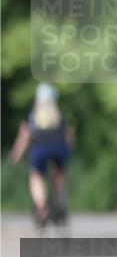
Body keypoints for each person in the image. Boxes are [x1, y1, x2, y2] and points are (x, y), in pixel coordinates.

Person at [8, 83, 74, 227]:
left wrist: (16, 154)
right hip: (60, 150)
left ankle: (42, 207)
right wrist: (68, 152)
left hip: (40, 150)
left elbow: (24, 137)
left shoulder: (32, 115)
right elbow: (69, 136)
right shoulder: (60, 116)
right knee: (59, 172)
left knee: (35, 176)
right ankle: (60, 198)